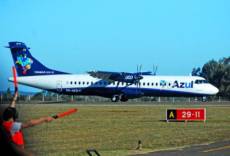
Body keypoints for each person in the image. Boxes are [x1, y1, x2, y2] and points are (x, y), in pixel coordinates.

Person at [1, 89, 54, 155]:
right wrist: (44, 119)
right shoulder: (12, 126)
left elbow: (11, 108)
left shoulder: (4, 122)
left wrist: (15, 97)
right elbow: (30, 123)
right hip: (19, 151)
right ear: (12, 117)